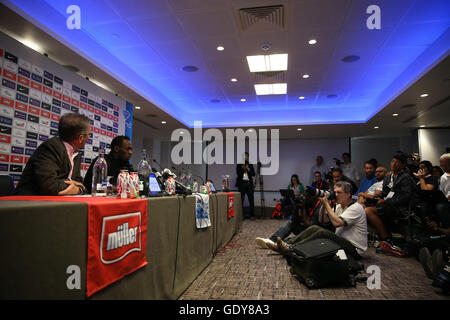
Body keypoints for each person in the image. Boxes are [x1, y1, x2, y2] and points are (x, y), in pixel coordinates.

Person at [266, 181, 368, 260]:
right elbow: (323, 220)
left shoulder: (356, 208)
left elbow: (337, 223)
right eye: (335, 192)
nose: (336, 195)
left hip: (354, 249)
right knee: (315, 228)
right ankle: (286, 245)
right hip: (342, 243)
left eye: (339, 192)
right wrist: (324, 204)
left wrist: (327, 204)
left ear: (348, 194)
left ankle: (290, 248)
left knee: (322, 233)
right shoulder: (339, 206)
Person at [14, 113, 90, 195]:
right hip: (28, 203)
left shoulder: (76, 154)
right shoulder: (50, 148)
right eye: (89, 134)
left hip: (58, 202)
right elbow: (50, 186)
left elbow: (81, 185)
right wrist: (76, 188)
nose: (89, 137)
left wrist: (79, 189)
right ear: (81, 138)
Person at [364, 154, 416, 256]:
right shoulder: (388, 178)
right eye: (392, 161)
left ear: (403, 165)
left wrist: (387, 201)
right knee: (364, 207)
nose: (394, 164)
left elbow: (405, 197)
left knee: (369, 211)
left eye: (397, 162)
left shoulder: (406, 178)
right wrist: (377, 198)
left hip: (400, 207)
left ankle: (386, 239)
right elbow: (384, 194)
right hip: (387, 205)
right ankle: (383, 239)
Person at [255, 192, 332, 249]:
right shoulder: (308, 204)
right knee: (290, 223)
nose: (305, 199)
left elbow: (310, 226)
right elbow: (295, 219)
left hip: (312, 233)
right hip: (304, 230)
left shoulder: (318, 207)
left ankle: (279, 244)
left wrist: (303, 209)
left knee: (293, 240)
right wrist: (296, 207)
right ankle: (272, 240)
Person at [236, 152, 256, 220]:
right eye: (244, 156)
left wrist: (248, 169)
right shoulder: (239, 164)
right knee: (241, 200)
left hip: (249, 184)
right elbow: (238, 173)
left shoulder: (250, 164)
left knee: (251, 199)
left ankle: (252, 215)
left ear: (248, 157)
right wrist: (243, 168)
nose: (245, 157)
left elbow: (253, 174)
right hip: (242, 184)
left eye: (246, 156)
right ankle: (241, 216)